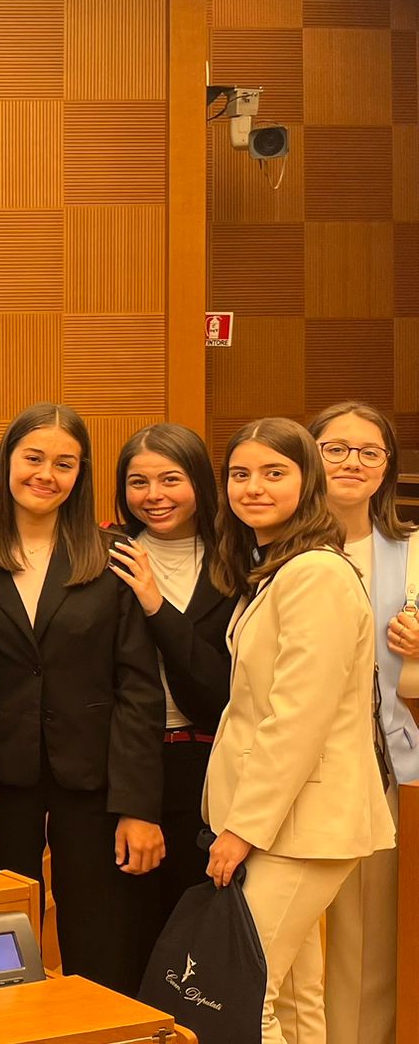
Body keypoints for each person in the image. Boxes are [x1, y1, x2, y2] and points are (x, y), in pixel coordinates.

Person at [0, 403, 163, 997]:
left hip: (95, 781)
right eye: (34, 458)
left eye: (64, 463)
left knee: (102, 944)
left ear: (81, 473)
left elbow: (138, 689)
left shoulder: (113, 555)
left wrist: (138, 805)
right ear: (4, 461)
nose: (46, 474)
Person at [206, 416, 395, 1044]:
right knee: (293, 999)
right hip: (282, 819)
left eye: (273, 472)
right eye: (240, 474)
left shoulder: (316, 573)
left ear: (307, 480)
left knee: (243, 992)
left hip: (302, 822)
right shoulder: (278, 567)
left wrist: (242, 828)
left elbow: (298, 719)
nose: (253, 487)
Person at [309, 401, 416, 1044]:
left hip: (388, 767)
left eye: (369, 451)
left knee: (372, 933)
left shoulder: (412, 553)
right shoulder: (274, 545)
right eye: (336, 448)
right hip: (295, 769)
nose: (353, 462)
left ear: (387, 467)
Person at [106, 423, 232, 960]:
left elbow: (218, 692)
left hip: (206, 767)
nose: (153, 496)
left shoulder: (237, 562)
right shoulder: (106, 556)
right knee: (126, 936)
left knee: (199, 944)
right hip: (122, 766)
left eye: (170, 479)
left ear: (199, 481)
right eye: (138, 482)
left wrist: (156, 605)